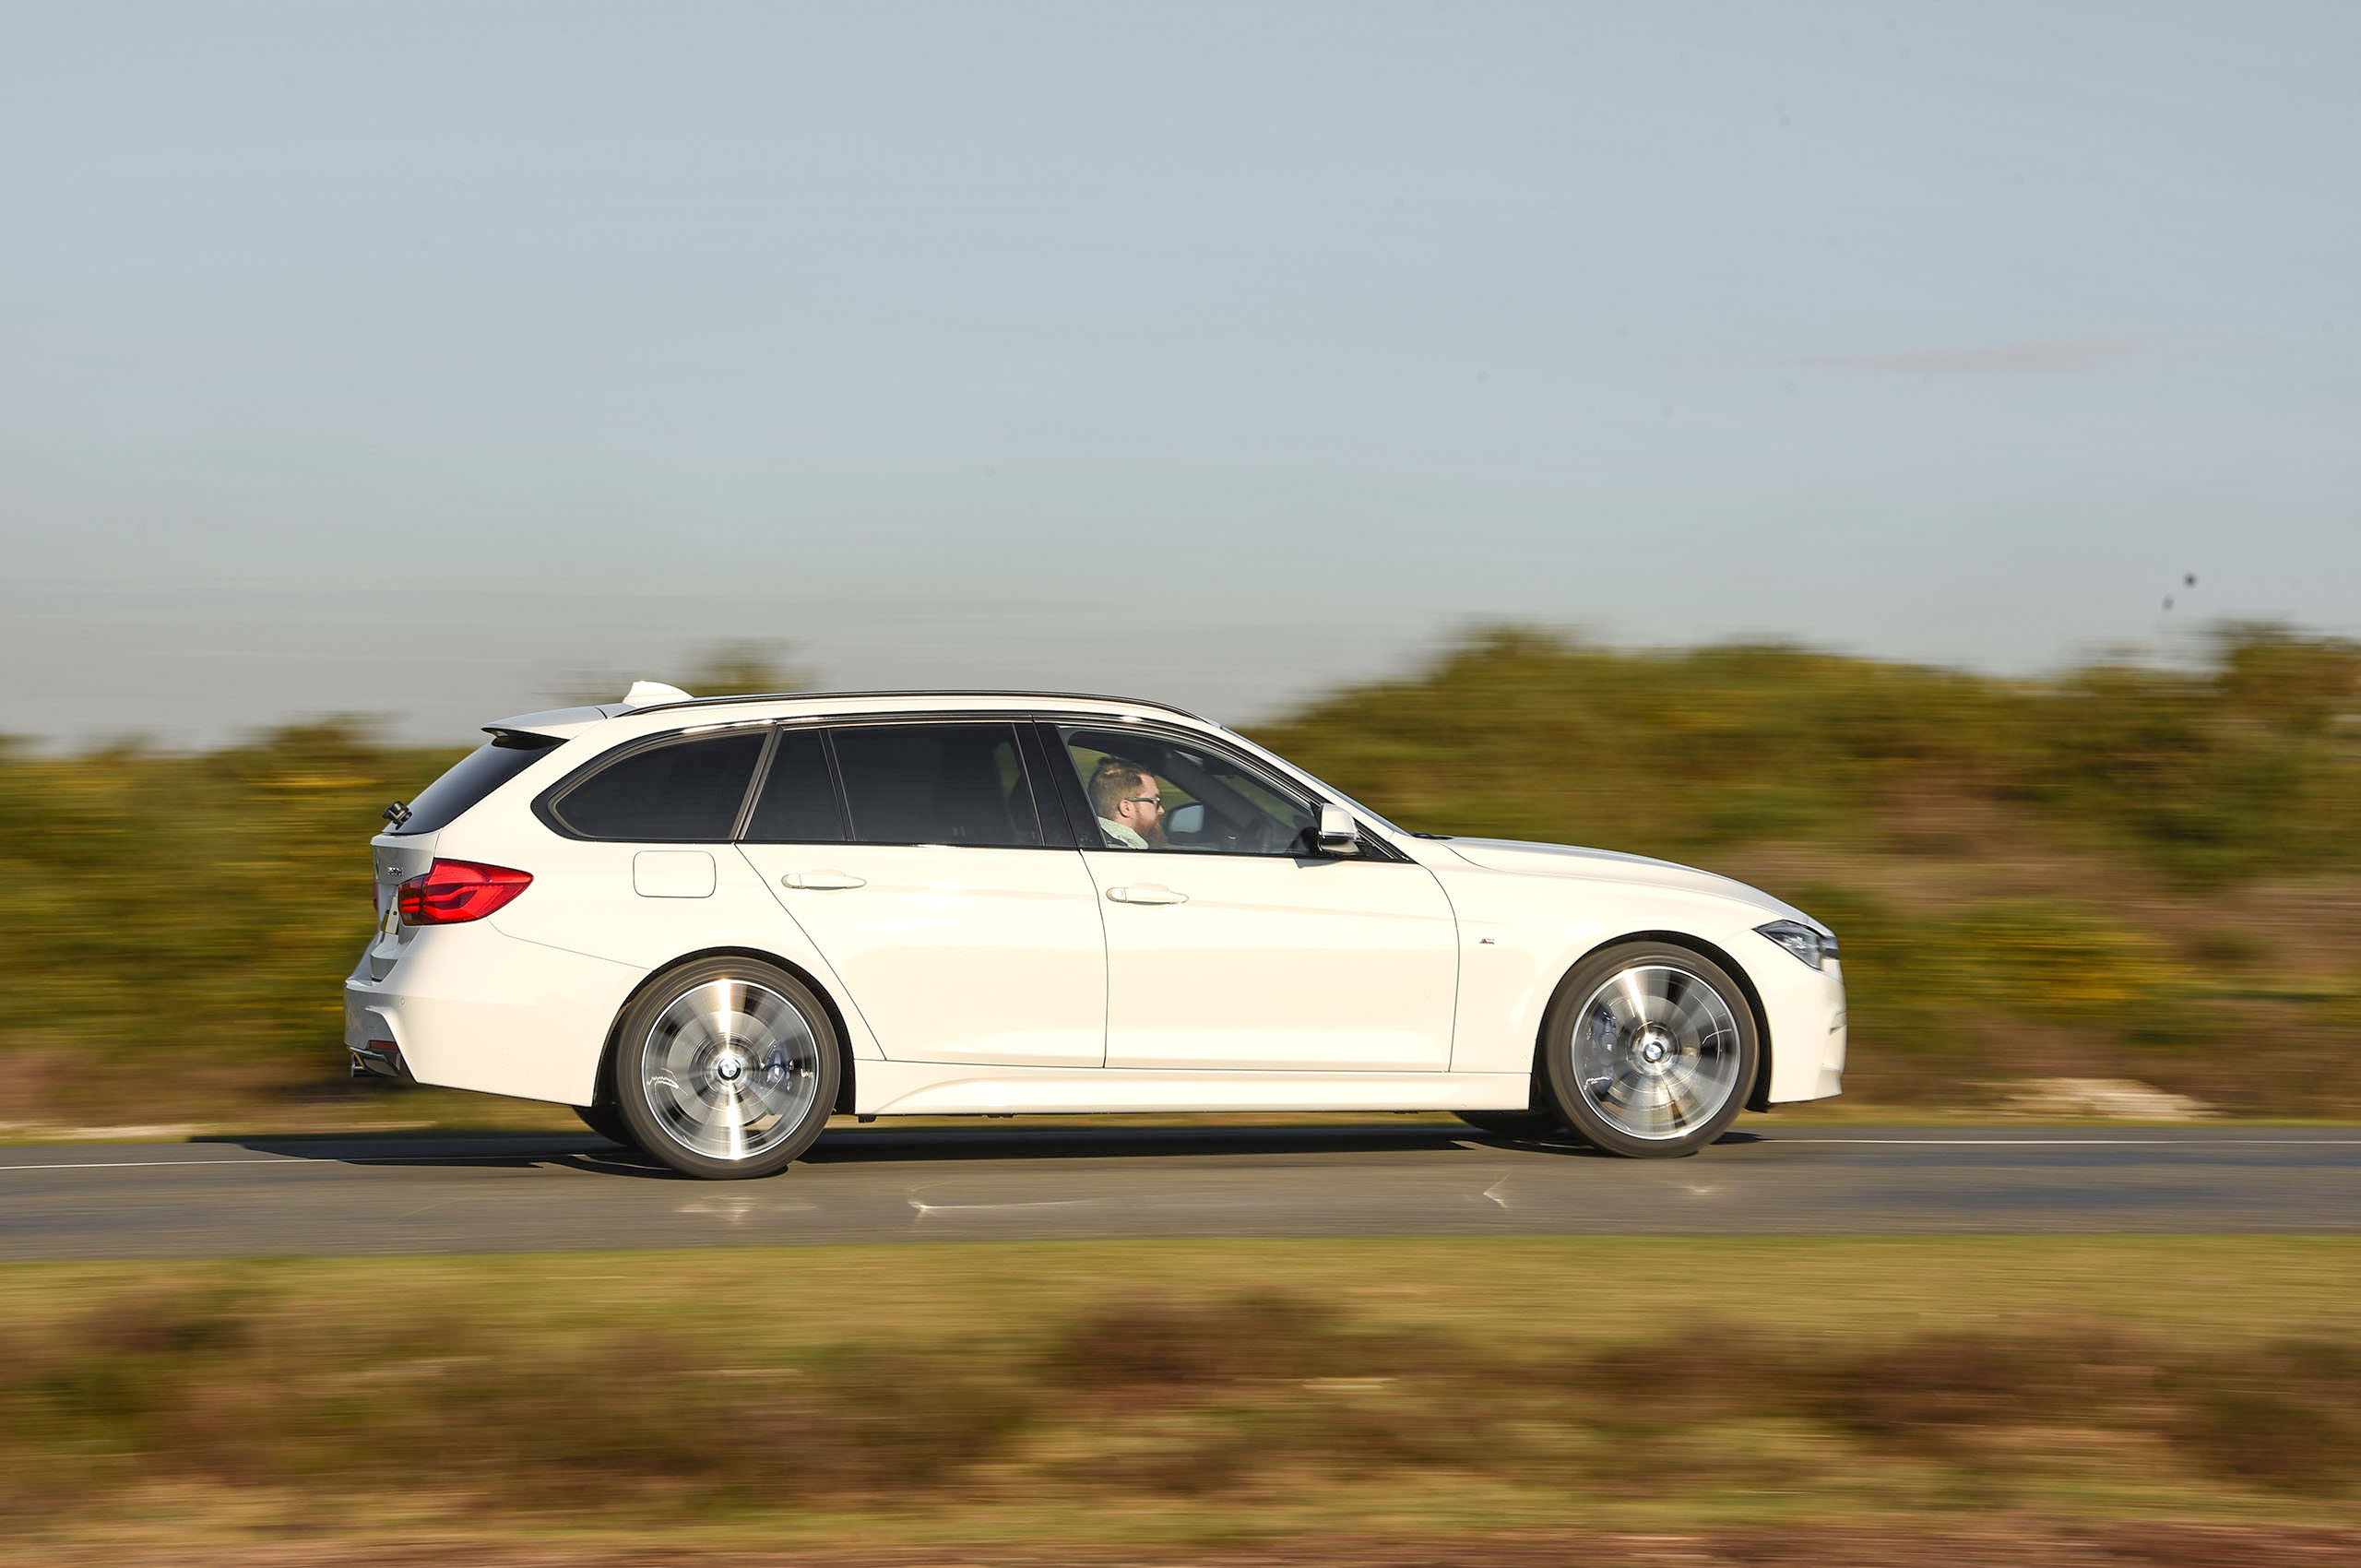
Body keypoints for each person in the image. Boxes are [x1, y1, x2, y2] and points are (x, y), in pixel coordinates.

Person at [1088, 756, 1167, 849]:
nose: (1161, 810)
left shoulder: (1089, 839)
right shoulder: (1126, 856)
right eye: (1156, 801)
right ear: (1126, 808)